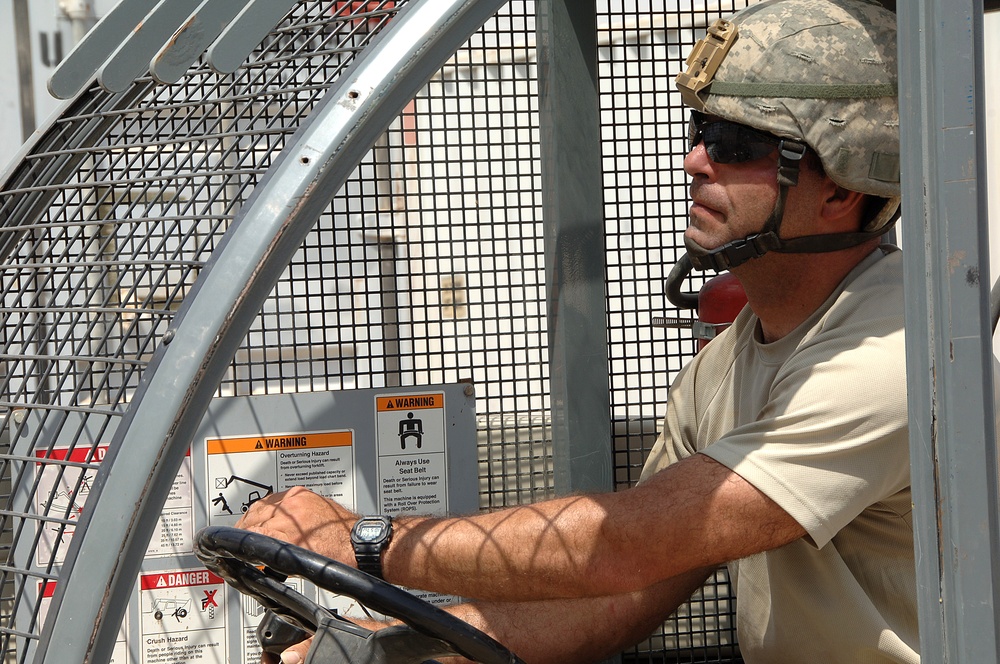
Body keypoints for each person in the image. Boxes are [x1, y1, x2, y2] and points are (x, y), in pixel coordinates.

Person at [238, 0, 916, 661]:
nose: (695, 161)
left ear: (840, 188)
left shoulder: (891, 352)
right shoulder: (725, 368)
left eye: (737, 144)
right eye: (700, 131)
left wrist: (365, 540)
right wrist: (380, 651)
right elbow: (619, 592)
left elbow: (628, 546)